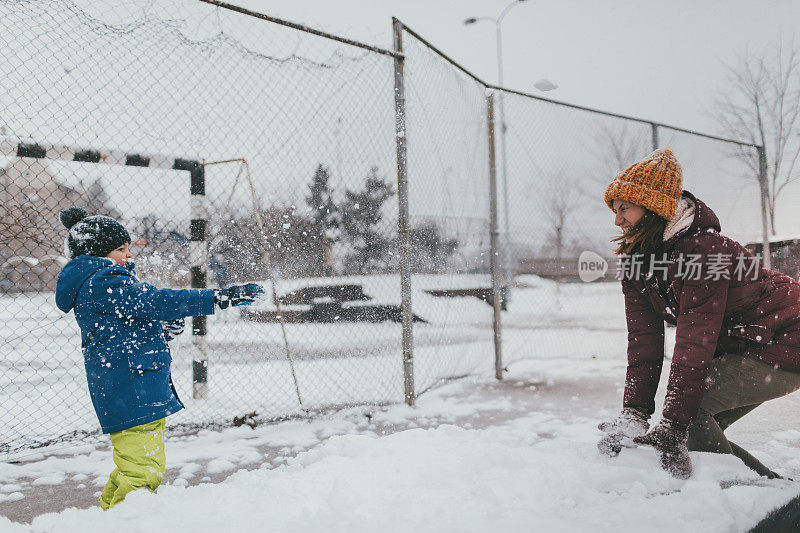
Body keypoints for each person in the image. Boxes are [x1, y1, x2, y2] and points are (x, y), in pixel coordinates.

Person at [596, 148, 800, 480]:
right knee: (690, 428)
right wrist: (634, 413)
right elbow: (644, 343)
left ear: (652, 207)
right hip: (747, 342)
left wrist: (673, 424)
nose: (617, 220)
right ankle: (761, 495)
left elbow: (694, 341)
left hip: (786, 336)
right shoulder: (638, 263)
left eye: (624, 209)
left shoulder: (704, 251)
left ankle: (767, 503)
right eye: (614, 210)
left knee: (688, 421)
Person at [55, 206, 264, 509]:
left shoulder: (98, 282)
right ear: (97, 253)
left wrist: (160, 330)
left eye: (128, 248)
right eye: (120, 249)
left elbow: (121, 331)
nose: (128, 255)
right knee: (142, 473)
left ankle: (103, 521)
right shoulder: (103, 280)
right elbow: (157, 301)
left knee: (133, 468)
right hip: (131, 391)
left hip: (130, 388)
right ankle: (126, 522)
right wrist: (216, 297)